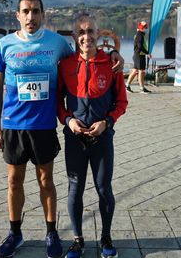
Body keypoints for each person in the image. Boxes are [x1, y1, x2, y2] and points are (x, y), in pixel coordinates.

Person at [0, 0, 124, 258]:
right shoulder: (4, 44)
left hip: (43, 126)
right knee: (13, 181)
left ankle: (51, 233)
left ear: (43, 14)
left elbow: (85, 54)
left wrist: (115, 51)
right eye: (26, 11)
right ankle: (15, 234)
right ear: (17, 15)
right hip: (12, 124)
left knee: (46, 181)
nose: (31, 17)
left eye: (36, 11)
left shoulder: (57, 43)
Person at [57, 14, 128, 258]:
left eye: (91, 31)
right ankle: (78, 241)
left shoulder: (112, 64)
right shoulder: (65, 65)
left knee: (103, 188)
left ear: (98, 34)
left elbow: (121, 101)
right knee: (74, 189)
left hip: (102, 138)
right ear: (75, 37)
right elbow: (58, 103)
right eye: (81, 32)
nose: (86, 36)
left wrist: (107, 122)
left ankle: (106, 238)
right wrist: (68, 120)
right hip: (74, 138)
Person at [126, 21, 151, 94]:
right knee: (141, 72)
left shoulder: (140, 34)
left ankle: (127, 85)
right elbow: (140, 47)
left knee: (135, 71)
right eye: (145, 27)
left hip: (138, 55)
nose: (146, 28)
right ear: (141, 28)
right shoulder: (140, 35)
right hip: (140, 55)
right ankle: (141, 88)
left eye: (146, 27)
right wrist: (147, 53)